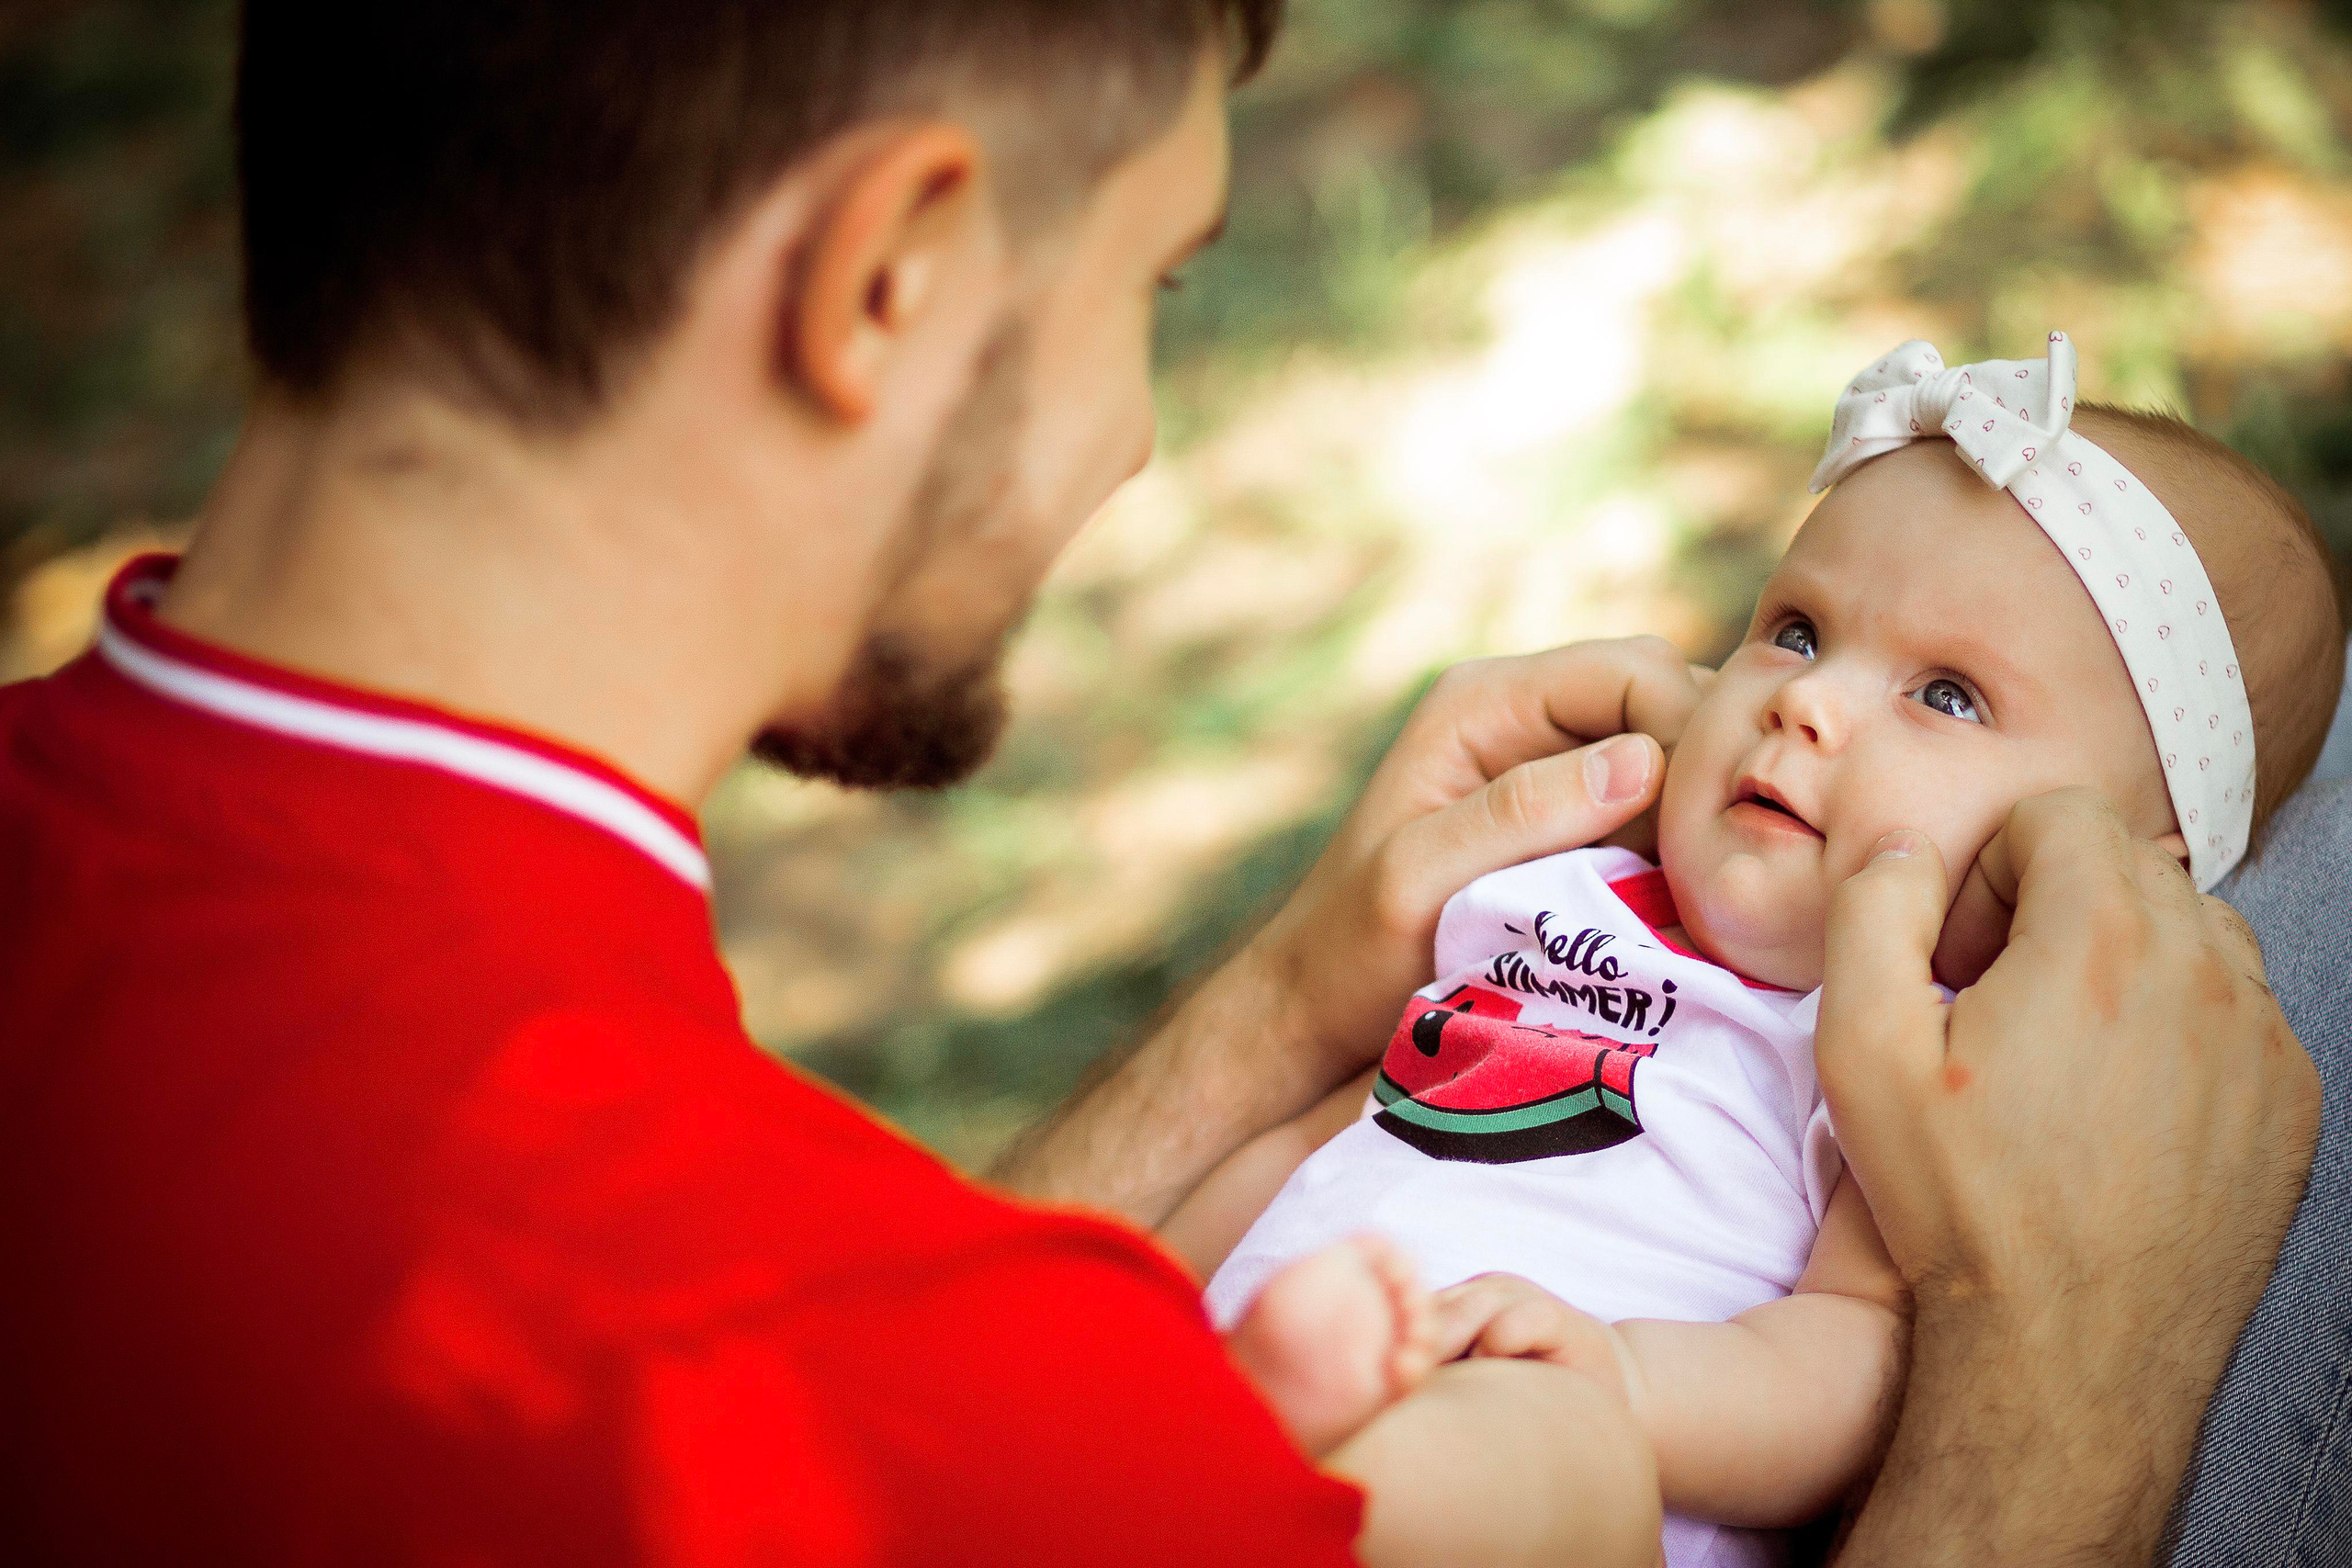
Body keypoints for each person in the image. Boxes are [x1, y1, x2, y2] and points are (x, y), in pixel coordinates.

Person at [0, 4, 2323, 1564]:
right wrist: (2077, 1396)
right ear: (886, 276)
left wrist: (1266, 1013)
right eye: (1156, 285)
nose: (1127, 441)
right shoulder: (865, 1427)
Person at [1171, 335, 2346, 1565]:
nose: (1805, 700)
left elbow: (1849, 1362)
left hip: (1566, 1452)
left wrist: (1622, 1381)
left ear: (2114, 871)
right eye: (1796, 631)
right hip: (1268, 1358)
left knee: (1536, 1439)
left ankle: (1320, 1493)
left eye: (1946, 695)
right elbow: (1339, 1134)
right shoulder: (1564, 893)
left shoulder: (1934, 1060)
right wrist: (1148, 1287)